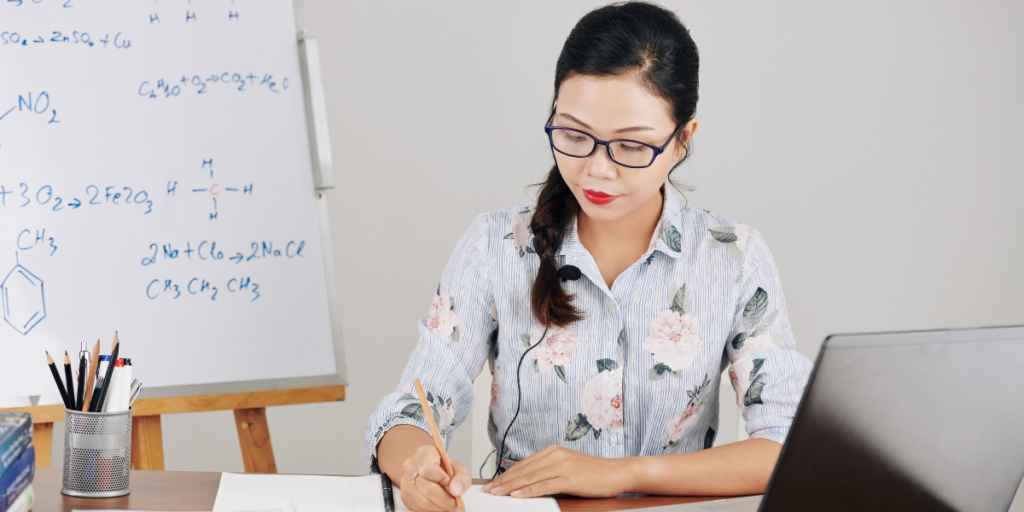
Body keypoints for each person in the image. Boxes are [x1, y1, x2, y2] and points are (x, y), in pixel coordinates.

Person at [366, 2, 813, 511]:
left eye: (630, 146)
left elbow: (786, 445)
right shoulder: (496, 247)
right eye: (574, 135)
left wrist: (618, 474)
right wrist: (413, 464)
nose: (597, 170)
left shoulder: (732, 258)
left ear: (682, 139)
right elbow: (409, 411)